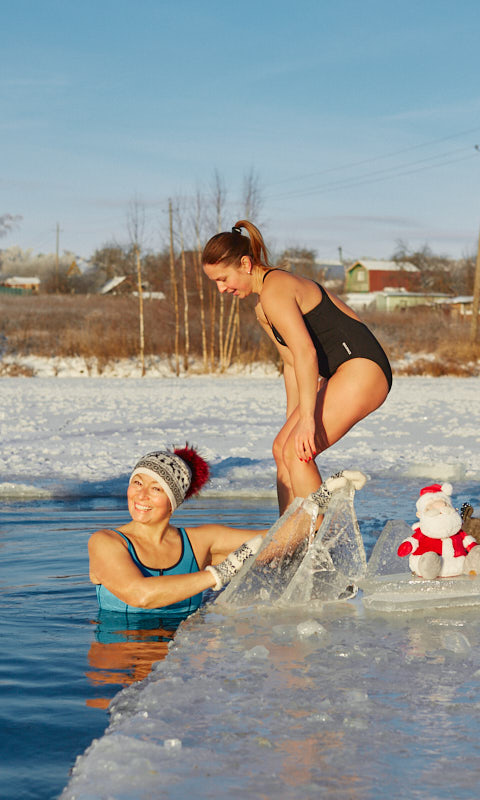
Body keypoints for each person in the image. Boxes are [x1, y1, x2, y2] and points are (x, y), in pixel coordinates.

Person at [201, 221, 392, 513]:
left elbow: (306, 353)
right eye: (215, 281)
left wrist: (306, 420)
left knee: (297, 453)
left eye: (223, 278)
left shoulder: (276, 289)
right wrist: (295, 417)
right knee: (282, 448)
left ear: (245, 264)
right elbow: (291, 363)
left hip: (363, 368)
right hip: (343, 372)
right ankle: (287, 532)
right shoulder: (262, 306)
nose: (221, 288)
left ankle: (317, 536)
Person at [88, 446, 268, 613]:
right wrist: (222, 572)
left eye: (156, 488)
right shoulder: (105, 542)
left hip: (188, 638)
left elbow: (278, 537)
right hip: (121, 638)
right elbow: (139, 595)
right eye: (137, 483)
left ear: (173, 502)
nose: (141, 495)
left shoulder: (199, 542)